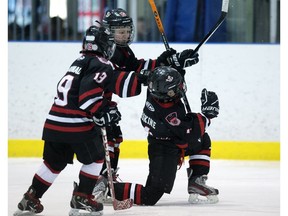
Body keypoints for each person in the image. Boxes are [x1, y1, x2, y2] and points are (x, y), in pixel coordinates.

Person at [13, 24, 149, 216]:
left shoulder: (79, 61)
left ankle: (31, 198)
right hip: (76, 124)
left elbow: (79, 92)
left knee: (52, 164)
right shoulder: (102, 63)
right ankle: (82, 197)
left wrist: (105, 107)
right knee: (96, 158)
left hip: (54, 122)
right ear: (104, 45)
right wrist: (102, 111)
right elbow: (88, 96)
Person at [97, 8, 200, 183]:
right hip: (90, 104)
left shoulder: (121, 50)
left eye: (128, 31)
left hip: (101, 103)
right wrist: (151, 77)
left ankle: (106, 178)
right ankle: (94, 182)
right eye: (121, 32)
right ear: (108, 31)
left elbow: (136, 66)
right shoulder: (105, 52)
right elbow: (118, 82)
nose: (126, 35)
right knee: (101, 143)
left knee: (113, 138)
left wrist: (166, 62)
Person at [94, 66, 219, 205]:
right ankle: (106, 188)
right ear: (169, 93)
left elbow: (161, 77)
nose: (181, 88)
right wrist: (208, 115)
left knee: (202, 140)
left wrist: (177, 63)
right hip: (165, 149)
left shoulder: (155, 91)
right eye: (177, 87)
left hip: (167, 140)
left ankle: (196, 180)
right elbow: (189, 133)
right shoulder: (170, 113)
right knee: (150, 196)